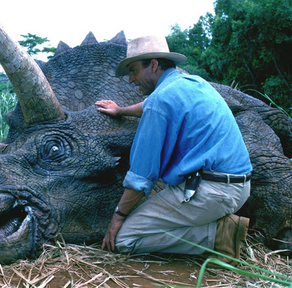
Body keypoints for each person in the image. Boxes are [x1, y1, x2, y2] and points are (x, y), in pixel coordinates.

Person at [96, 35, 252, 265]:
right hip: (239, 186)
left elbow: (141, 176)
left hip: (213, 192)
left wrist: (118, 217)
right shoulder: (192, 82)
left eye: (133, 70)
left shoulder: (161, 100)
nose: (130, 79)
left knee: (125, 239)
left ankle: (217, 235)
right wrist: (121, 111)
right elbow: (153, 104)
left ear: (153, 65)